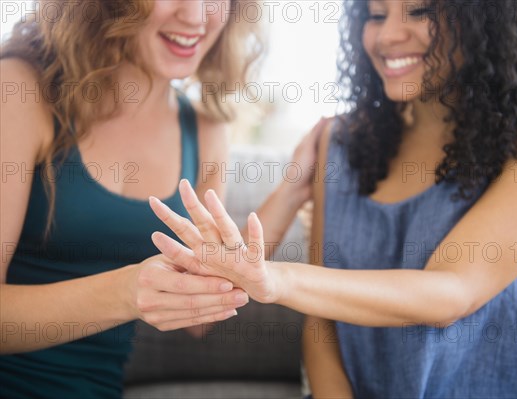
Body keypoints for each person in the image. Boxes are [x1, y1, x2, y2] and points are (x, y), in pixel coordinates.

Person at [147, 0, 517, 397]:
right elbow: (322, 325)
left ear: (485, 16)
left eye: (420, 11)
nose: (386, 36)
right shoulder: (343, 139)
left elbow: (451, 292)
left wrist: (277, 279)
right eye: (376, 14)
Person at [0, 0, 319, 397]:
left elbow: (197, 318)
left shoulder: (205, 131)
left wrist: (292, 190)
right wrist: (126, 292)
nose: (196, 17)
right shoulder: (21, 88)